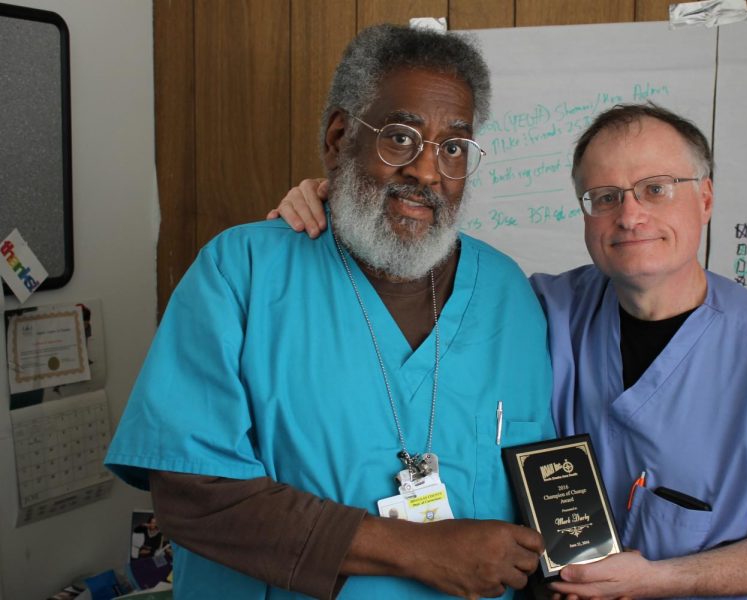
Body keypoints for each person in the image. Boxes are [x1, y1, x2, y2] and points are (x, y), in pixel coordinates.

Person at [272, 102, 747, 599]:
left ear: (704, 198)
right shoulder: (544, 309)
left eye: (656, 189)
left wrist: (659, 580)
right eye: (603, 197)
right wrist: (344, 199)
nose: (629, 215)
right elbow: (419, 265)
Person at [105, 23, 556, 599]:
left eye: (453, 148)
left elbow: (537, 485)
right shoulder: (241, 270)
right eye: (400, 137)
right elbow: (192, 492)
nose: (426, 171)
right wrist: (419, 550)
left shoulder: (506, 293)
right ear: (341, 137)